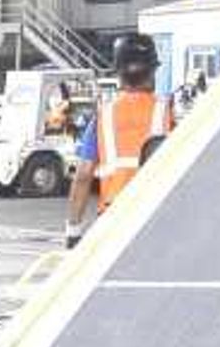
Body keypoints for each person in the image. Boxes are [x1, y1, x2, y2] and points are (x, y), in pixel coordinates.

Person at [64, 39, 169, 242]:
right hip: (158, 217)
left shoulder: (103, 117)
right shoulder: (168, 113)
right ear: (152, 71)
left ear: (119, 74)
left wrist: (73, 231)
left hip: (113, 219)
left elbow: (83, 176)